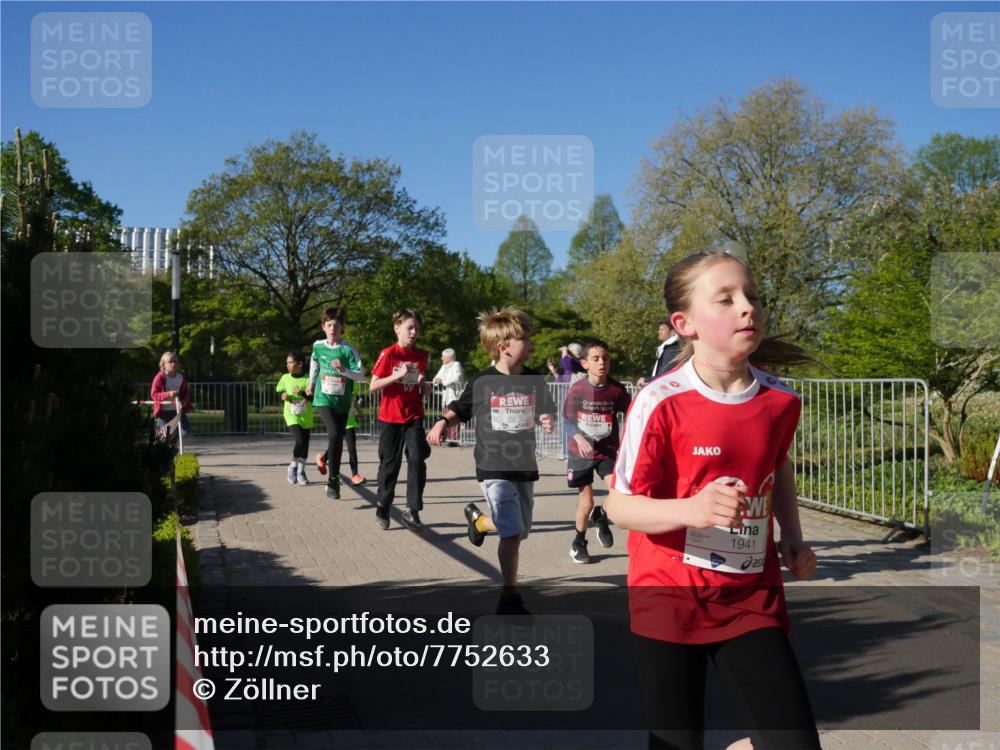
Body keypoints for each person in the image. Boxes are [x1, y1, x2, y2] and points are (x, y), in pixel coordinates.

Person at [605, 248, 819, 750]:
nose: (748, 307)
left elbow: (777, 466)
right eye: (725, 299)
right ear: (685, 324)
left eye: (752, 296)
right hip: (670, 592)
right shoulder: (660, 401)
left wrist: (792, 536)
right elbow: (619, 505)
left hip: (749, 596)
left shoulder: (780, 400)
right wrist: (692, 509)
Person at [427, 307, 556, 615]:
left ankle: (479, 521)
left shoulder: (534, 380)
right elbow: (461, 406)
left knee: (520, 530)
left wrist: (546, 417)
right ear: (503, 346)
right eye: (524, 338)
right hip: (493, 465)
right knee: (511, 533)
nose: (531, 343)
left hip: (523, 466)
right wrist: (442, 422)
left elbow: (545, 408)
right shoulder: (483, 381)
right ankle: (509, 596)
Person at [563, 341, 632, 564]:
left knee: (618, 494)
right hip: (580, 453)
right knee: (586, 503)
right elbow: (565, 420)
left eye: (605, 358)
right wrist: (578, 436)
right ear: (584, 364)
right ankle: (579, 542)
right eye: (596, 359)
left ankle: (601, 515)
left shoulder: (617, 390)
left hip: (607, 451)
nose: (602, 362)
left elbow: (631, 415)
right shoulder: (578, 389)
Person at [370, 309, 432, 531]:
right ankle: (383, 505)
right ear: (397, 328)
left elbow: (419, 376)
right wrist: (397, 375)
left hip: (414, 415)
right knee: (390, 465)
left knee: (417, 458)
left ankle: (412, 509)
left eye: (417, 328)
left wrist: (423, 385)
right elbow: (373, 385)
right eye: (409, 328)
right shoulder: (388, 354)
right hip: (390, 417)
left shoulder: (421, 356)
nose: (414, 332)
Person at [305, 307, 365, 500]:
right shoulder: (318, 346)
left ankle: (327, 466)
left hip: (343, 401)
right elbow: (314, 362)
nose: (333, 328)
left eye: (336, 325)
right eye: (329, 325)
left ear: (342, 328)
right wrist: (311, 383)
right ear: (323, 327)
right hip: (323, 398)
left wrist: (344, 370)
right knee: (334, 433)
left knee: (338, 437)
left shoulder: (348, 350)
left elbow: (361, 375)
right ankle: (333, 480)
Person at [276, 351, 313, 486]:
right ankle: (292, 466)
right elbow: (279, 391)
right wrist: (283, 396)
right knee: (299, 441)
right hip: (291, 414)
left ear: (300, 364)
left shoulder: (308, 379)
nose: (287, 365)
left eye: (290, 363)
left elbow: (313, 398)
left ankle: (301, 471)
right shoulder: (285, 378)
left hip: (306, 416)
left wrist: (303, 393)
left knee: (305, 445)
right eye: (287, 363)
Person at [318, 394, 367, 487]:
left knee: (352, 448)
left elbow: (353, 399)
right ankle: (323, 459)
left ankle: (355, 475)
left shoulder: (353, 382)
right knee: (336, 444)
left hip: (350, 421)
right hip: (339, 419)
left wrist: (359, 411)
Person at [150, 351, 192, 443]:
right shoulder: (160, 377)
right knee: (164, 437)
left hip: (177, 410)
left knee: (186, 430)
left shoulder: (181, 377)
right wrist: (169, 394)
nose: (173, 364)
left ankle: (173, 446)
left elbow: (186, 393)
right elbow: (153, 394)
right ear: (163, 364)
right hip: (163, 413)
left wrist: (184, 401)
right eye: (170, 362)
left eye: (175, 361)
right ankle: (168, 450)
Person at [636, 318, 680, 388]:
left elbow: (665, 375)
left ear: (672, 332)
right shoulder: (669, 348)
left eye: (662, 329)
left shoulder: (672, 349)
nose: (659, 332)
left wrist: (646, 380)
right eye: (659, 329)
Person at [432, 348, 464, 445]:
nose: (441, 358)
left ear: (448, 357)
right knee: (445, 417)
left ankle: (454, 439)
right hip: (446, 397)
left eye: (443, 356)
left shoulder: (456, 364)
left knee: (453, 417)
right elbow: (437, 377)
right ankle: (447, 438)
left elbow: (456, 377)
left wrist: (443, 382)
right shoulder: (444, 366)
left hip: (454, 395)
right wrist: (437, 380)